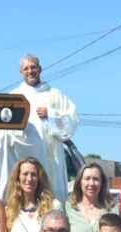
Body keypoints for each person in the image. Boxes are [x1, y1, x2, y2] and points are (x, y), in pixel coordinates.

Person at [9, 54, 79, 202]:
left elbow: (72, 120)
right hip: (24, 153)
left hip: (51, 156)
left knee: (52, 198)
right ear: (21, 73)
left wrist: (52, 115)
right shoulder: (14, 96)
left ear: (40, 69)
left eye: (33, 67)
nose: (30, 71)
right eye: (26, 69)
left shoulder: (55, 94)